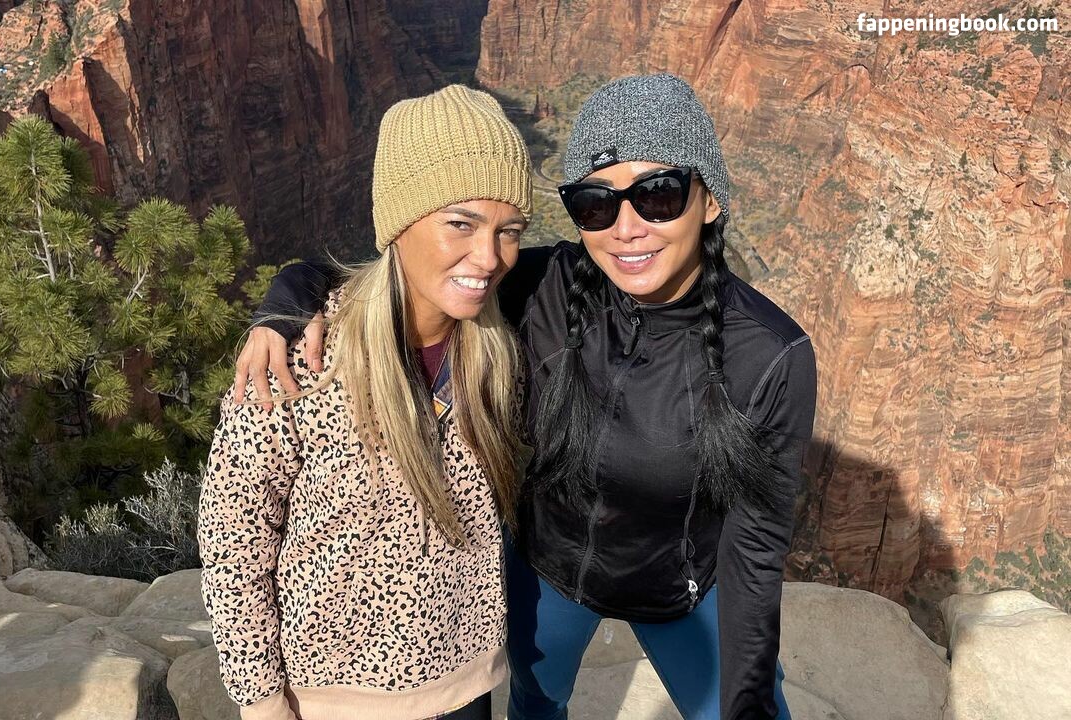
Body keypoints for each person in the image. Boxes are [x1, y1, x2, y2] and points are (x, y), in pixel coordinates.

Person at [240, 73, 818, 720]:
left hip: (679, 590)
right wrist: (285, 303)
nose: (627, 228)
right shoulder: (544, 287)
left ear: (709, 200)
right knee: (537, 703)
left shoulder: (771, 354)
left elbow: (757, 544)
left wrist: (750, 673)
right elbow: (401, 269)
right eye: (596, 204)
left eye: (658, 194)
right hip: (548, 574)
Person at [198, 84, 534, 720]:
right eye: (460, 223)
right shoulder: (301, 361)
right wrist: (261, 700)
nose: (489, 257)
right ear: (399, 224)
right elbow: (234, 539)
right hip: (336, 699)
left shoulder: (498, 351)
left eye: (509, 231)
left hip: (467, 684)